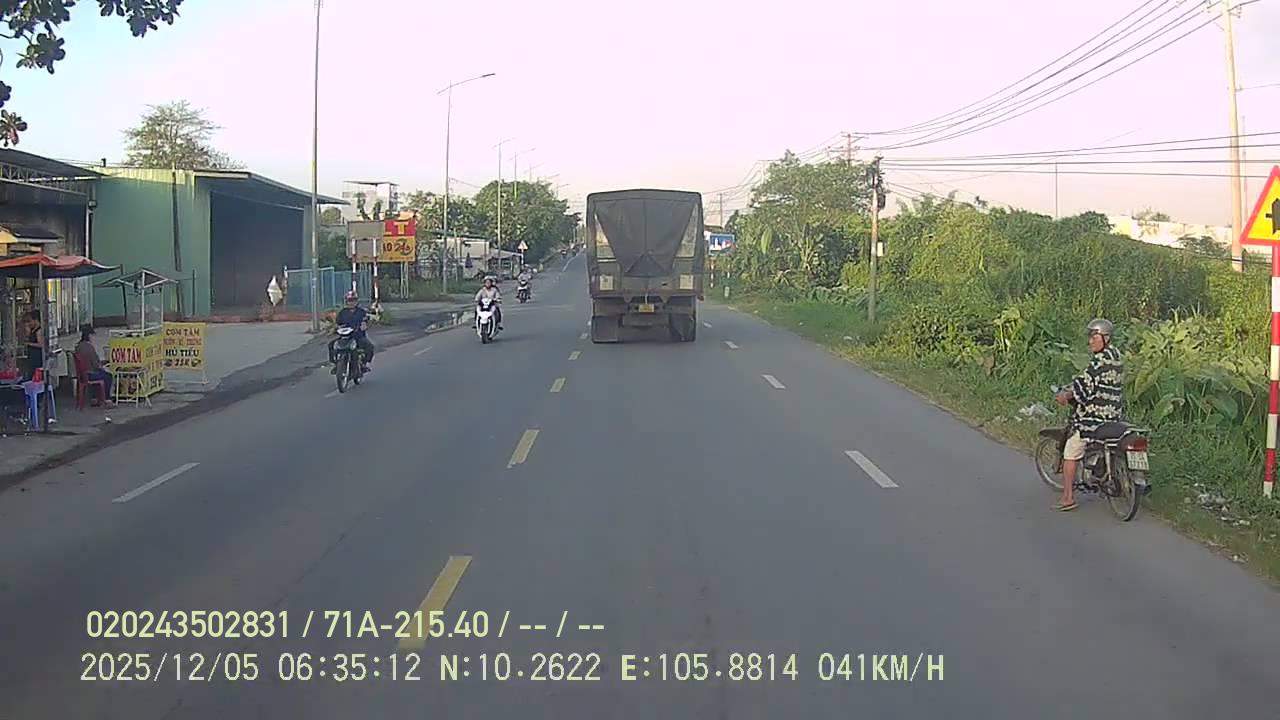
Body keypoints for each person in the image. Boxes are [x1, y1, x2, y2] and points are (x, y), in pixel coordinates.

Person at [1053, 318, 1125, 512]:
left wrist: (1066, 396)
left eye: (1094, 337)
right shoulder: (1117, 355)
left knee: (1071, 451)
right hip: (1114, 415)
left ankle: (1067, 498)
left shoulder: (1099, 361)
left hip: (1095, 418)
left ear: (1105, 338)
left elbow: (1083, 388)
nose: (1090, 341)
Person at [329, 291, 376, 371]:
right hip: (344, 337)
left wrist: (363, 325)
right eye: (349, 300)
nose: (351, 302)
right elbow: (337, 323)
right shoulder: (343, 312)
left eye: (353, 300)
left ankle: (363, 363)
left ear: (356, 301)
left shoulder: (361, 312)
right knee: (331, 345)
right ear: (346, 301)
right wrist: (334, 329)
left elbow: (365, 321)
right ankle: (336, 364)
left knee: (369, 347)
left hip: (358, 336)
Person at [73, 324, 114, 406]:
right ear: (89, 336)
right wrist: (103, 365)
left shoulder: (78, 346)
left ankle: (94, 398)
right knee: (108, 376)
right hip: (89, 374)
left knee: (99, 374)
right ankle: (107, 399)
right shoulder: (89, 347)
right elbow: (96, 364)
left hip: (81, 374)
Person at [21, 310, 42, 381]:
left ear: (35, 320)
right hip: (31, 354)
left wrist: (29, 344)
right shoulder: (32, 329)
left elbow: (41, 344)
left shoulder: (39, 331)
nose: (30, 323)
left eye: (30, 321)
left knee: (35, 372)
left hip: (36, 355)